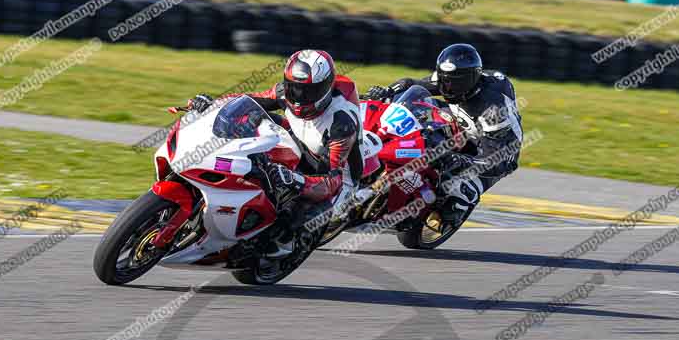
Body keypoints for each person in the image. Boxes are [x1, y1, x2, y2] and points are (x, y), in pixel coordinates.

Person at [189, 50, 363, 256]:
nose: (298, 96)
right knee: (252, 118)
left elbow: (332, 182)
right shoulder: (285, 92)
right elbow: (249, 100)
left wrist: (294, 180)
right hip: (301, 142)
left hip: (333, 176)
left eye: (307, 91)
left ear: (325, 89)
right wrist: (212, 104)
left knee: (301, 213)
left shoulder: (341, 124)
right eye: (294, 88)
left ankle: (279, 248)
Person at [366, 43, 523, 227]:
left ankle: (444, 215)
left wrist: (465, 161)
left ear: (472, 79)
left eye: (456, 83)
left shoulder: (493, 110)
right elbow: (413, 85)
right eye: (445, 80)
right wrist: (387, 92)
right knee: (417, 110)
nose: (448, 88)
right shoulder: (448, 78)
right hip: (460, 120)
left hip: (495, 149)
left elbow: (496, 158)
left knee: (458, 188)